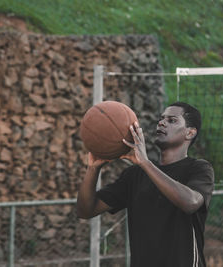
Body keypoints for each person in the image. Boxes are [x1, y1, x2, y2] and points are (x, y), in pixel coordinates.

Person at [77, 102, 215, 267]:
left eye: (172, 120)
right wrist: (93, 169)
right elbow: (86, 210)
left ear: (190, 133)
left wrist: (145, 162)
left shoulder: (198, 168)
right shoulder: (135, 176)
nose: (162, 122)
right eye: (161, 119)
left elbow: (190, 202)